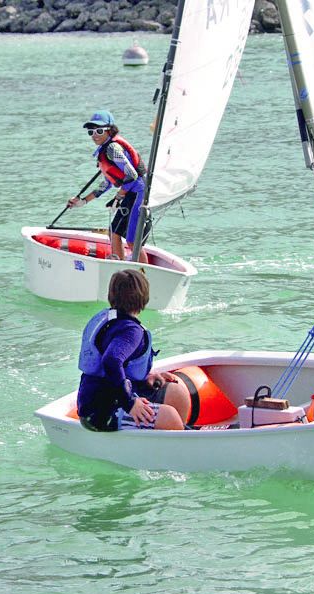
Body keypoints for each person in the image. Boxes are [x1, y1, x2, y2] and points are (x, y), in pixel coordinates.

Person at [76, 269, 188, 432]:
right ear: (144, 298)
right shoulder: (131, 331)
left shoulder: (110, 320)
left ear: (111, 295)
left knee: (176, 392)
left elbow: (116, 365)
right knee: (168, 416)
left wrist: (145, 377)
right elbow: (111, 361)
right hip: (102, 412)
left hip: (102, 398)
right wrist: (130, 403)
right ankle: (180, 442)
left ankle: (177, 434)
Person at [66, 109, 151, 264]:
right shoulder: (105, 150)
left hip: (138, 193)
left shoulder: (112, 149)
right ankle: (119, 266)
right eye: (91, 132)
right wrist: (83, 201)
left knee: (132, 241)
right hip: (129, 192)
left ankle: (143, 273)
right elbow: (107, 182)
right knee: (114, 233)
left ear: (110, 130)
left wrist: (119, 196)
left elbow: (132, 174)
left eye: (99, 131)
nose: (94, 135)